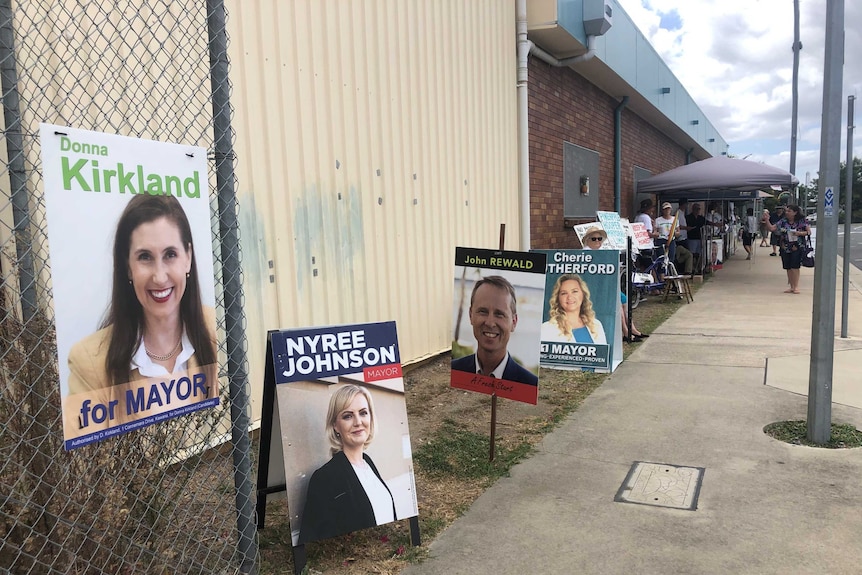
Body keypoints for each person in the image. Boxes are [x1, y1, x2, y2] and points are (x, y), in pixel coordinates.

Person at [67, 194, 217, 395]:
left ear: (188, 257)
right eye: (145, 257)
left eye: (170, 254)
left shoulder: (218, 329)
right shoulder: (88, 362)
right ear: (128, 267)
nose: (160, 277)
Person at [299, 385, 396, 544]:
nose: (358, 422)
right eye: (348, 416)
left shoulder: (368, 462)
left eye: (363, 413)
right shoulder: (324, 478)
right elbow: (313, 538)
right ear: (335, 425)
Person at [451, 275, 538, 385]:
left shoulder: (530, 384)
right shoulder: (453, 371)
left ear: (514, 322)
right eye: (483, 311)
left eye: (499, 314)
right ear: (470, 315)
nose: (490, 323)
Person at [581, 229, 648, 341]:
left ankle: (632, 329)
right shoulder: (586, 254)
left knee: (624, 299)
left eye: (599, 238)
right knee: (618, 302)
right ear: (587, 241)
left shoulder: (600, 252)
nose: (597, 241)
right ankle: (626, 332)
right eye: (594, 239)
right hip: (595, 289)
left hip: (605, 285)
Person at [540, 274, 607, 344]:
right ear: (558, 298)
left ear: (583, 294)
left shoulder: (596, 325)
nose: (569, 297)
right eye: (564, 293)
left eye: (574, 291)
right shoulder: (547, 329)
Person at [762, 204, 810, 294]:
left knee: (795, 266)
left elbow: (808, 232)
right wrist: (767, 220)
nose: (787, 213)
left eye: (789, 211)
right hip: (785, 246)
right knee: (788, 267)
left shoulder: (802, 221)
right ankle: (791, 286)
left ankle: (796, 286)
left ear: (795, 212)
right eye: (786, 211)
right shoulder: (783, 221)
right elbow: (772, 228)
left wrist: (799, 233)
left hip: (797, 246)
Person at [654, 202, 694, 276]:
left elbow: (678, 231)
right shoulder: (658, 220)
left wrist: (676, 233)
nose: (667, 211)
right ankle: (662, 277)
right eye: (665, 209)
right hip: (661, 240)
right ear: (662, 210)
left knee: (671, 259)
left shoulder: (674, 220)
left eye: (668, 209)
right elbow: (655, 231)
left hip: (671, 240)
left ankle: (670, 276)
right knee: (662, 259)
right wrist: (656, 234)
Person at [685, 203, 706, 273]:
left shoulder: (701, 218)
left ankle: (699, 268)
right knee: (692, 254)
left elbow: (707, 222)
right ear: (693, 209)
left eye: (699, 209)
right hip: (691, 238)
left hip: (699, 238)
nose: (698, 210)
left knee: (699, 254)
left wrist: (716, 224)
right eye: (696, 209)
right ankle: (693, 268)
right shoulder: (688, 217)